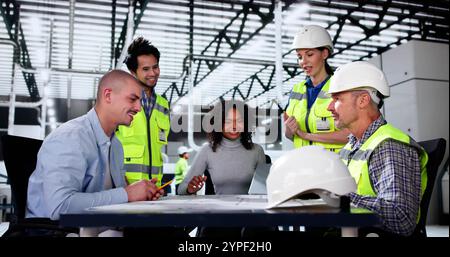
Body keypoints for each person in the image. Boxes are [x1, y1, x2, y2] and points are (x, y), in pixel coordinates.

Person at [27, 70, 164, 222]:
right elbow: (60, 206)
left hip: (98, 226)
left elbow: (113, 198)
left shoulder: (116, 145)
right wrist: (127, 194)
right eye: (133, 99)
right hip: (56, 231)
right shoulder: (70, 137)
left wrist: (141, 193)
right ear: (108, 95)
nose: (139, 108)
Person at [326, 61, 428, 236]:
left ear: (363, 100)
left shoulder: (389, 146)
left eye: (337, 99)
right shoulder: (351, 145)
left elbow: (400, 217)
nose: (329, 107)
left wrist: (338, 199)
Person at [177, 100, 267, 238]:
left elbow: (264, 193)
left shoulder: (257, 151)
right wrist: (190, 188)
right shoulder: (207, 150)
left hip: (249, 221)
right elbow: (181, 189)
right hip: (219, 221)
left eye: (239, 121)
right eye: (228, 121)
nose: (235, 127)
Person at [284, 25, 349, 152]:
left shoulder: (341, 87)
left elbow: (351, 134)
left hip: (334, 166)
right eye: (299, 56)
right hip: (304, 165)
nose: (303, 61)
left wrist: (307, 136)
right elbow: (289, 135)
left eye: (309, 54)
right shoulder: (296, 91)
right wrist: (289, 131)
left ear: (324, 53)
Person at [116, 36, 170, 188]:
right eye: (146, 69)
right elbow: (105, 145)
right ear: (133, 72)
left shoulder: (164, 105)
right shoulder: (120, 100)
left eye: (155, 67)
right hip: (126, 188)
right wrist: (119, 180)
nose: (153, 73)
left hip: (155, 188)